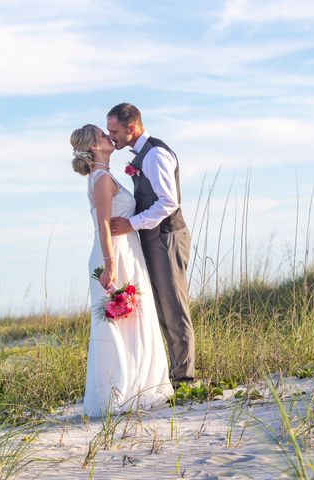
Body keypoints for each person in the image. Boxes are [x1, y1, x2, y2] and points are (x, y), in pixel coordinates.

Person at [70, 124, 173, 417]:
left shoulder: (104, 175)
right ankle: (121, 390)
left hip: (126, 250)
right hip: (115, 254)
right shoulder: (101, 178)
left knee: (133, 318)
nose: (109, 138)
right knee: (119, 322)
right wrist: (110, 263)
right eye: (103, 136)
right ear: (94, 146)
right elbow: (103, 222)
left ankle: (139, 384)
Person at [107, 103, 195, 388]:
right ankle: (175, 374)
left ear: (131, 128)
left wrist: (132, 224)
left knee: (174, 306)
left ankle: (185, 377)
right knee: (161, 307)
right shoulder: (142, 155)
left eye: (115, 131)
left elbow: (169, 203)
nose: (112, 137)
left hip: (167, 237)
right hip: (154, 238)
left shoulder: (155, 154)